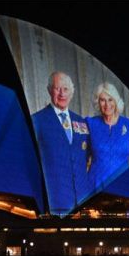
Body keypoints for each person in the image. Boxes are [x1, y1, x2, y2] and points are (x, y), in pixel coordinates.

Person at [30, 71, 91, 215]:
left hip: (82, 204)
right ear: (49, 90)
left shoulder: (81, 122)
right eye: (58, 89)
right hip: (53, 204)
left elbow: (88, 157)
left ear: (72, 92)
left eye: (66, 89)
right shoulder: (37, 120)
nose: (62, 94)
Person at [85, 82, 129, 192]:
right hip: (95, 187)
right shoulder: (90, 124)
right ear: (98, 102)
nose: (107, 104)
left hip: (123, 186)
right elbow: (82, 158)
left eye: (110, 99)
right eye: (102, 100)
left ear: (116, 101)